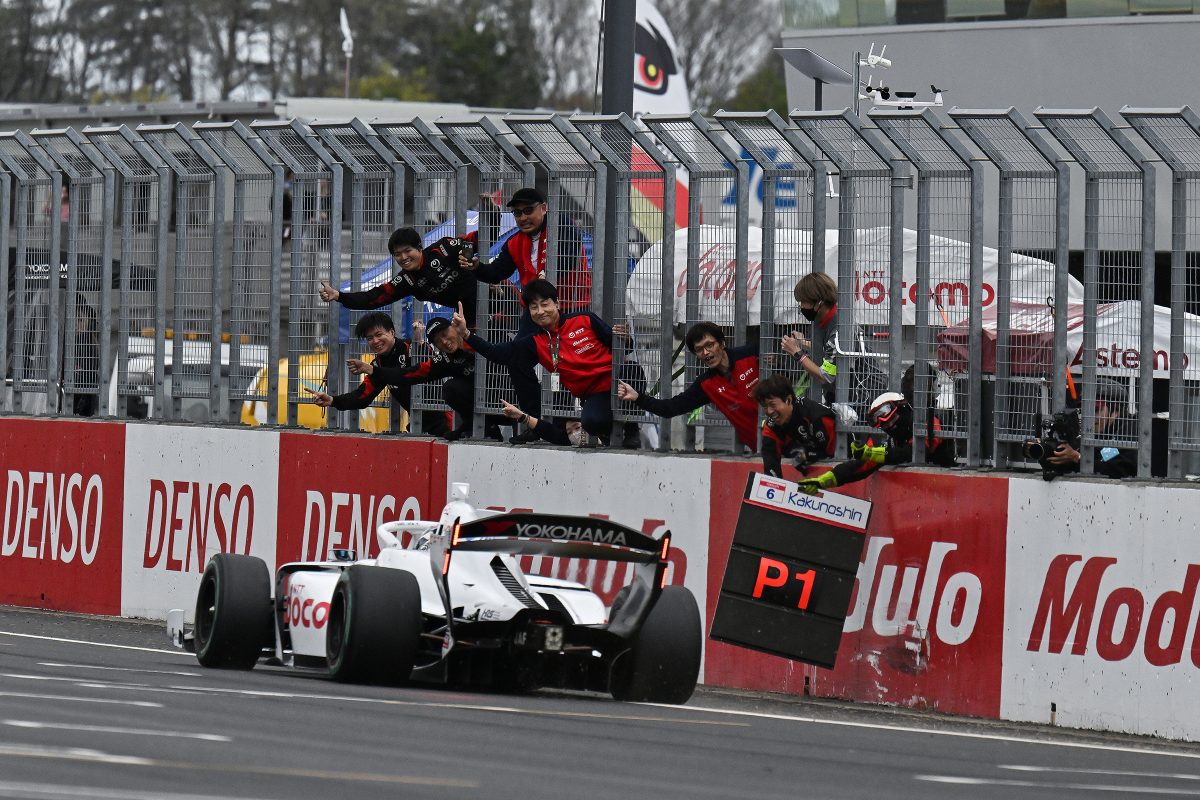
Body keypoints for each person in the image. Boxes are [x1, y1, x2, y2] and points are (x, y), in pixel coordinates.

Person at [460, 187, 592, 441]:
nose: (523, 218)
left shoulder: (562, 226)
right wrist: (476, 267)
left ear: (544, 208)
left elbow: (568, 256)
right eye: (518, 213)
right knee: (518, 359)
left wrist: (547, 275)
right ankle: (536, 423)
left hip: (571, 307)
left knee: (568, 363)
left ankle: (568, 424)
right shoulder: (515, 242)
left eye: (528, 211)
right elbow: (497, 271)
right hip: (536, 311)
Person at [451, 279, 636, 447]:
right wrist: (466, 334)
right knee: (593, 422)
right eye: (534, 307)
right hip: (595, 394)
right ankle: (609, 435)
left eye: (545, 304)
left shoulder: (585, 319)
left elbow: (624, 348)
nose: (540, 311)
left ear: (557, 303)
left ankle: (632, 428)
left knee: (632, 370)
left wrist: (626, 339)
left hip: (617, 380)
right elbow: (496, 353)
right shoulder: (534, 342)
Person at [615, 321, 760, 451]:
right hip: (760, 448)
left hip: (774, 433)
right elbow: (671, 408)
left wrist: (773, 360)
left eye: (709, 345)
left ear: (722, 344)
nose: (706, 353)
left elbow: (775, 364)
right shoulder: (706, 384)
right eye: (699, 349)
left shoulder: (751, 354)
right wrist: (638, 397)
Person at [307, 311, 450, 437]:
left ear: (392, 332)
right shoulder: (378, 364)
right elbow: (362, 397)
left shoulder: (411, 348)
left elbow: (426, 365)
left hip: (447, 420)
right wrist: (332, 400)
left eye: (379, 335)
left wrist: (420, 342)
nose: (375, 341)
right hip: (419, 426)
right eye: (369, 338)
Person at [316, 227, 482, 327]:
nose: (403, 258)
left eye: (407, 251)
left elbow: (478, 238)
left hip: (493, 298)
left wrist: (491, 211)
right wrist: (339, 296)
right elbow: (372, 298)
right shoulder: (406, 281)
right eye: (397, 254)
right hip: (471, 318)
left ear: (419, 248)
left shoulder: (442, 249)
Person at [798, 390, 956, 494]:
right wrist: (823, 481)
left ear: (902, 408)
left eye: (891, 418)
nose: (890, 426)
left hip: (950, 490)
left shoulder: (929, 422)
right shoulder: (892, 441)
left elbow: (915, 450)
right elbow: (860, 465)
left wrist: (872, 453)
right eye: (884, 425)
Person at [373, 316, 498, 442]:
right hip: (489, 408)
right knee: (451, 388)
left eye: (444, 334)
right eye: (438, 341)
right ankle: (486, 429)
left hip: (506, 397)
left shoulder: (479, 336)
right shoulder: (444, 360)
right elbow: (411, 373)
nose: (444, 341)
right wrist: (373, 370)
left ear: (454, 328)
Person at [1041, 377, 1137, 479]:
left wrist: (1078, 458)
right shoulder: (1090, 433)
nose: (1089, 417)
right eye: (1085, 410)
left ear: (1116, 411)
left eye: (1096, 410)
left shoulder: (1130, 433)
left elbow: (1120, 471)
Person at [752, 374, 837, 478]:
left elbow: (837, 455)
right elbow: (770, 467)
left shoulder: (817, 418)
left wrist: (811, 455)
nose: (769, 411)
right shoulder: (771, 426)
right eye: (765, 406)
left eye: (773, 405)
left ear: (788, 400)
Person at [782, 272, 839, 404]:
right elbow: (830, 350)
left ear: (820, 301)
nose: (801, 306)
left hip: (861, 396)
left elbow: (826, 376)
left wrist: (797, 353)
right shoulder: (823, 321)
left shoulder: (839, 328)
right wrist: (802, 343)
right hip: (839, 395)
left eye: (804, 302)